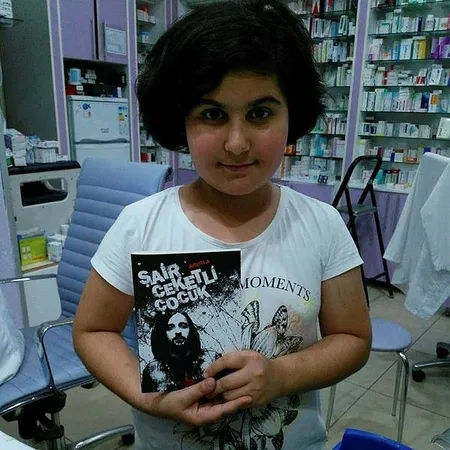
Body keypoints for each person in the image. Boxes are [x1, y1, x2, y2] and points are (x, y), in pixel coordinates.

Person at [73, 0, 372, 448]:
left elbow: (352, 338)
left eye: (260, 113)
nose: (236, 143)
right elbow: (93, 330)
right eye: (212, 114)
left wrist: (279, 375)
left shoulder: (322, 225)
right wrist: (149, 397)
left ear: (292, 114)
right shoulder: (140, 225)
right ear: (180, 119)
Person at [141, 312, 215, 392]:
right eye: (170, 327)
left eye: (183, 326)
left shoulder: (210, 359)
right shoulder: (153, 370)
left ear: (190, 329)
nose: (178, 332)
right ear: (163, 333)